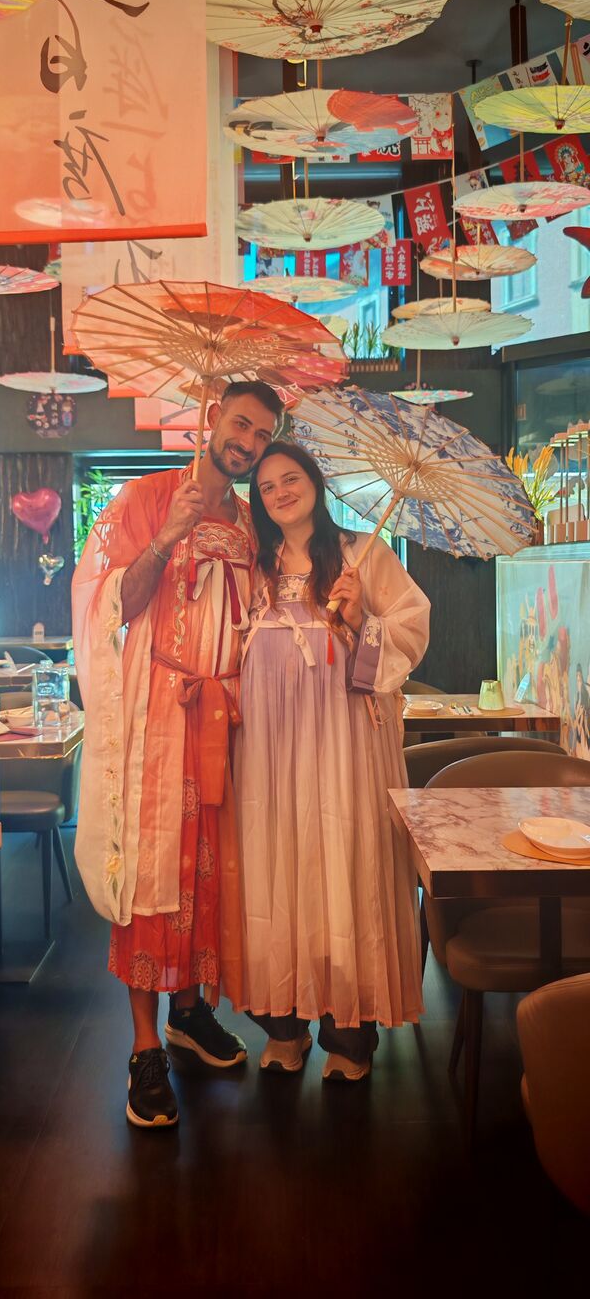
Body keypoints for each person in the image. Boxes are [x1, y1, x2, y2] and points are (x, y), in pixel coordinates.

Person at [72, 381, 284, 1129]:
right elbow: (111, 607)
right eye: (241, 425)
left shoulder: (254, 522)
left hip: (226, 715)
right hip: (158, 711)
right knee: (150, 872)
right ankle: (142, 1047)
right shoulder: (146, 497)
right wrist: (165, 539)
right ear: (211, 418)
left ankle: (189, 1014)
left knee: (209, 866)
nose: (248, 444)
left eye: (263, 435)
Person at [233, 442, 430, 1081]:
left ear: (315, 483)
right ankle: (282, 1025)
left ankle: (348, 1035)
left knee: (344, 862)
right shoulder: (252, 567)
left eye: (291, 478)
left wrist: (359, 616)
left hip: (344, 741)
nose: (280, 493)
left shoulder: (361, 554)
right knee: (277, 865)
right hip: (268, 746)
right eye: (267, 486)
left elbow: (410, 635)